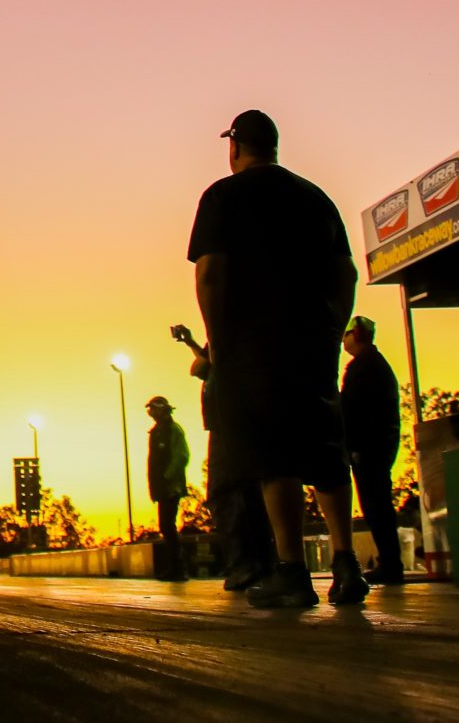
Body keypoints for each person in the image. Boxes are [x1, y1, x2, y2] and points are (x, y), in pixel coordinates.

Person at [187, 109, 367, 608]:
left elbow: (209, 274)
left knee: (274, 455)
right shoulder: (315, 198)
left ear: (235, 147)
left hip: (251, 344)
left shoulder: (222, 197)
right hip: (312, 340)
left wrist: (216, 338)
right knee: (326, 448)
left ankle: (291, 569)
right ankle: (346, 562)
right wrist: (332, 325)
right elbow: (346, 274)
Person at [174, 324, 276, 589]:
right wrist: (192, 343)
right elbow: (206, 360)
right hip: (236, 420)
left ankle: (245, 563)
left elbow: (200, 367)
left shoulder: (229, 333)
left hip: (228, 423)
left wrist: (202, 360)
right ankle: (262, 562)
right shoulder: (235, 336)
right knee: (249, 493)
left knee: (226, 494)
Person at [342, 315, 405, 584]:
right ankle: (390, 562)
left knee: (376, 506)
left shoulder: (363, 368)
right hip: (378, 445)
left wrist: (353, 446)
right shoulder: (375, 365)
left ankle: (391, 565)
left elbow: (351, 411)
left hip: (369, 448)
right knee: (377, 505)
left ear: (355, 334)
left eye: (346, 334)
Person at [144, 395, 190, 581]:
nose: (150, 412)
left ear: (162, 409)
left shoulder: (173, 430)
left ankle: (178, 569)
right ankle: (175, 567)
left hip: (171, 486)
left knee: (167, 525)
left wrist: (167, 477)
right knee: (166, 525)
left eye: (153, 409)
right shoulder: (156, 432)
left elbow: (182, 456)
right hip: (162, 487)